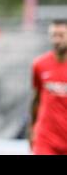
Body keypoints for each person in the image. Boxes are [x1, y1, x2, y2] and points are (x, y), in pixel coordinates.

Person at [30, 19, 67, 155]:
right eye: (54, 35)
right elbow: (36, 99)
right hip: (46, 140)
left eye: (61, 35)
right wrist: (32, 129)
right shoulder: (40, 65)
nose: (56, 40)